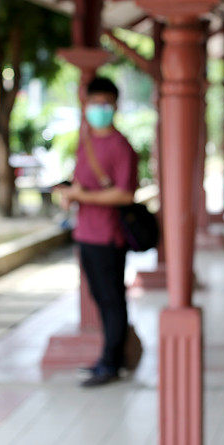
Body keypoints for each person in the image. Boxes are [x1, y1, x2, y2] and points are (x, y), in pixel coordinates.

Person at [56, 76, 138, 388]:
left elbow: (125, 194)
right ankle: (108, 357)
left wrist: (83, 197)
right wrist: (70, 193)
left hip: (108, 236)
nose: (99, 109)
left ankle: (112, 362)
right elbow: (82, 183)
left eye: (105, 103)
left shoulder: (120, 146)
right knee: (101, 299)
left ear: (115, 105)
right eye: (94, 103)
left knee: (112, 299)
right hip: (85, 233)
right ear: (85, 104)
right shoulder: (85, 140)